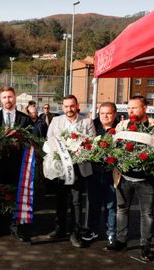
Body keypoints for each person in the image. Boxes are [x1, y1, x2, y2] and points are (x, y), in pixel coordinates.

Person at [107, 96, 154, 261]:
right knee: (122, 209)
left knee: (146, 214)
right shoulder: (122, 125)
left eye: (134, 108)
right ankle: (121, 241)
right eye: (128, 108)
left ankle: (145, 246)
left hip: (147, 180)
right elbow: (113, 146)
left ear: (145, 108)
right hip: (123, 177)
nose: (130, 111)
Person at [46, 94, 96, 248]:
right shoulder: (55, 121)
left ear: (77, 106)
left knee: (76, 201)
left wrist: (77, 152)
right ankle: (60, 228)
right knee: (60, 199)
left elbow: (92, 143)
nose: (69, 109)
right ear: (62, 107)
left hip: (79, 168)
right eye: (66, 106)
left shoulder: (87, 121)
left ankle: (75, 232)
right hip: (61, 167)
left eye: (72, 106)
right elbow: (50, 140)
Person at [0, 86, 32, 241]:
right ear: (0, 99)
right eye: (5, 97)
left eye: (10, 97)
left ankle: (16, 228)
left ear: (15, 98)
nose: (8, 100)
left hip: (18, 164)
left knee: (16, 196)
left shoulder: (24, 119)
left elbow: (30, 142)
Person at [84, 102, 118, 248]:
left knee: (111, 206)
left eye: (108, 113)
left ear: (114, 114)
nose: (105, 116)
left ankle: (111, 234)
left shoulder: (120, 128)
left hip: (112, 174)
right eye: (102, 113)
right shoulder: (92, 126)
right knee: (94, 204)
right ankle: (92, 231)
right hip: (95, 173)